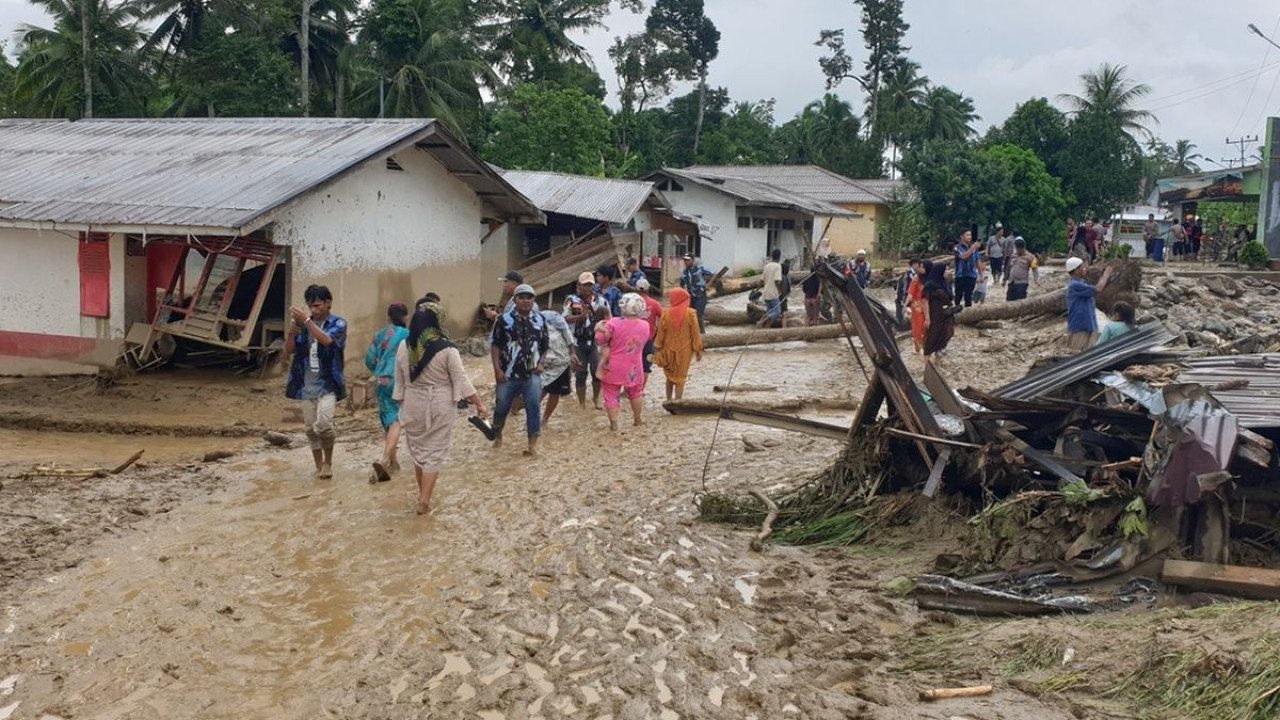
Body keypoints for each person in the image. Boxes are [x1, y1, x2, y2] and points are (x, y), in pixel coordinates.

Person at [394, 301, 487, 515]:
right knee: (434, 452)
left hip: (412, 403)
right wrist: (479, 403)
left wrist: (401, 403)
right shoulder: (447, 349)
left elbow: (399, 379)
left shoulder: (404, 346)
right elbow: (460, 379)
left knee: (419, 451)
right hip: (439, 404)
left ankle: (422, 495)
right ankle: (424, 501)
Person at [285, 284, 347, 481]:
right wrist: (292, 333)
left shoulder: (338, 323)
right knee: (310, 428)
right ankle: (319, 465)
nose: (313, 310)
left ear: (328, 303)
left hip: (328, 383)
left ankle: (328, 463)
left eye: (317, 305)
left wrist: (307, 321)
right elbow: (290, 350)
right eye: (311, 306)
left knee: (324, 424)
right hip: (306, 384)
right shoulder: (305, 325)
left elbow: (327, 341)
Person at [490, 284, 548, 456]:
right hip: (507, 374)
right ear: (514, 300)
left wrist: (541, 363)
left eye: (529, 297)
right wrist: (497, 370)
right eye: (521, 297)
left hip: (532, 374)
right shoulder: (503, 320)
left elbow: (545, 346)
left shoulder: (540, 320)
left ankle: (532, 445)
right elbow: (495, 346)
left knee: (534, 407)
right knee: (501, 407)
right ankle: (497, 436)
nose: (525, 301)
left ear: (533, 300)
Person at [365, 303, 410, 483]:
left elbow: (369, 360)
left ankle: (394, 462)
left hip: (381, 380)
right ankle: (385, 459)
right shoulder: (407, 334)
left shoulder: (379, 335)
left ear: (388, 317)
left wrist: (379, 369)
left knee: (387, 418)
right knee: (396, 420)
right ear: (405, 317)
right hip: (398, 379)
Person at [595, 293, 649, 430]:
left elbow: (599, 339)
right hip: (634, 367)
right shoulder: (645, 325)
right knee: (636, 392)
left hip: (613, 366)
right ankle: (637, 419)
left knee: (611, 395)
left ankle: (614, 424)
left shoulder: (613, 323)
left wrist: (599, 327)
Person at [563, 271, 609, 409]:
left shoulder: (601, 301)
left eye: (590, 285)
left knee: (597, 371)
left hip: (596, 342)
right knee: (580, 373)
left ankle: (596, 399)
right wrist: (580, 317)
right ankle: (582, 403)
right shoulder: (571, 301)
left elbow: (609, 320)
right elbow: (564, 319)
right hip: (577, 342)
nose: (588, 288)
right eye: (585, 285)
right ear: (578, 285)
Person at [653, 287, 704, 400]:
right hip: (684, 351)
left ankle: (668, 400)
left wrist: (657, 349)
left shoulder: (666, 314)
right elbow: (695, 333)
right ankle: (678, 403)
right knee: (680, 379)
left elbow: (660, 334)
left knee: (669, 377)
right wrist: (698, 350)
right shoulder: (690, 313)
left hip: (667, 350)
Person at [539, 309, 577, 427]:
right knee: (537, 392)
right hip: (542, 365)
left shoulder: (561, 327)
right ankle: (520, 410)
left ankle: (544, 420)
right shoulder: (536, 327)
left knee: (554, 392)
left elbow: (569, 340)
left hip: (560, 364)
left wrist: (572, 354)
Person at [1065, 256, 1113, 352]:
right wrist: (1106, 275)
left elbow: (1096, 288)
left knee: (1089, 352)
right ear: (1076, 270)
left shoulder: (1081, 282)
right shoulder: (1075, 285)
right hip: (1080, 325)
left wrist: (1103, 276)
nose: (1085, 269)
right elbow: (1098, 289)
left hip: (1088, 323)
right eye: (1082, 267)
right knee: (1077, 353)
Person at [922, 262, 955, 364]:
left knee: (946, 334)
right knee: (932, 336)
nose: (947, 272)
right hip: (935, 315)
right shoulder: (930, 285)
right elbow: (925, 301)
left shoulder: (945, 283)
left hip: (946, 314)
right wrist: (927, 318)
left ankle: (938, 361)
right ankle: (927, 362)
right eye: (945, 270)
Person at [636, 278, 664, 382]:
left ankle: (630, 389)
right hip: (649, 340)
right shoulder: (654, 304)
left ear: (636, 289)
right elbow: (664, 319)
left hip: (633, 341)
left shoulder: (632, 303)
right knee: (646, 367)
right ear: (648, 289)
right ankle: (641, 389)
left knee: (632, 365)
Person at [679, 254, 715, 331]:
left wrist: (709, 284)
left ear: (692, 260)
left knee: (698, 315)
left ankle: (702, 334)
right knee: (689, 316)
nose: (686, 262)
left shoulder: (700, 268)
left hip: (700, 296)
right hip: (690, 297)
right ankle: (691, 333)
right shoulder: (684, 272)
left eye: (688, 260)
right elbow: (682, 284)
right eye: (685, 260)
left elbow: (714, 274)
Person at [758, 248, 785, 328]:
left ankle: (767, 328)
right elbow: (777, 281)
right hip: (773, 293)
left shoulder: (767, 266)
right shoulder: (778, 266)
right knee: (777, 312)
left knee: (770, 312)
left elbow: (761, 281)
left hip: (766, 293)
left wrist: (757, 289)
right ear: (779, 257)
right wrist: (780, 290)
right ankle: (763, 320)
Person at [953, 230, 981, 307]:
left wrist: (981, 274)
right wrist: (973, 248)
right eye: (967, 235)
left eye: (970, 235)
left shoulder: (974, 247)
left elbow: (977, 261)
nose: (969, 237)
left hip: (972, 274)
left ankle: (968, 311)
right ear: (962, 236)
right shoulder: (957, 247)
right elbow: (963, 257)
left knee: (969, 296)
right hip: (960, 275)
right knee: (958, 295)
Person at [907, 259, 927, 354]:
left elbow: (910, 294)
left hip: (921, 306)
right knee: (920, 328)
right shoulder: (912, 277)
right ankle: (920, 347)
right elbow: (909, 293)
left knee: (921, 328)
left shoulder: (919, 278)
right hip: (920, 306)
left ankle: (922, 347)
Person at [893, 263, 914, 330]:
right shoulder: (907, 276)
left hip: (903, 299)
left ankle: (902, 326)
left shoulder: (908, 276)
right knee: (901, 318)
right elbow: (903, 290)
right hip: (902, 299)